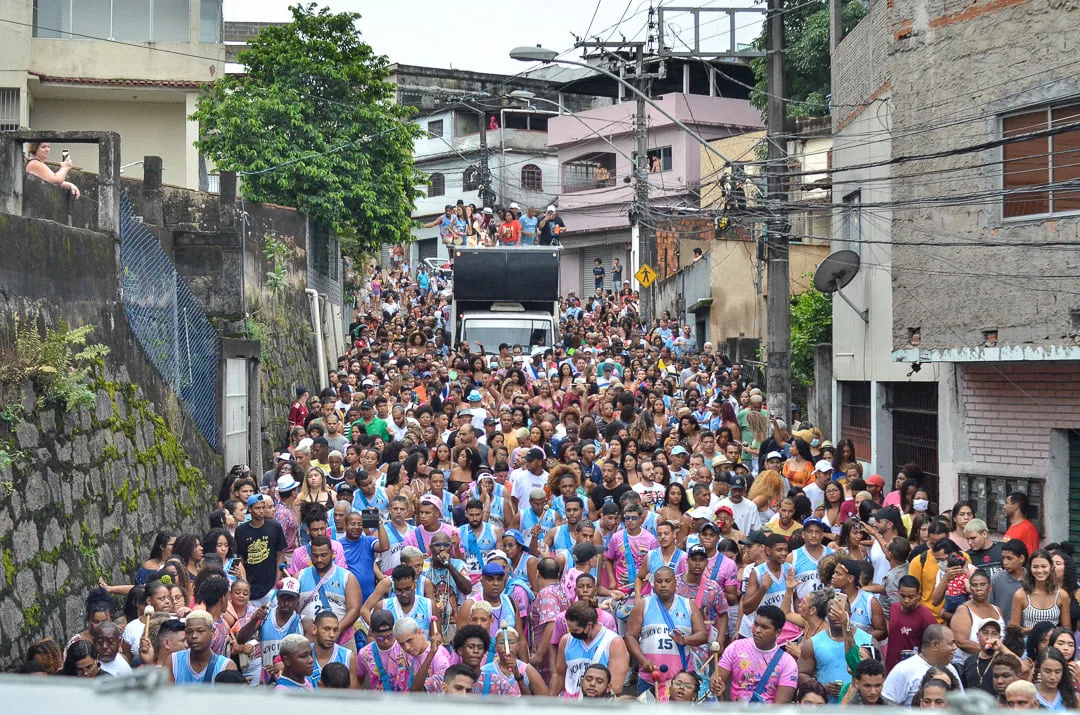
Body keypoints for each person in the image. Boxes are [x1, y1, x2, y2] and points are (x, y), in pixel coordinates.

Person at [624, 566, 708, 697]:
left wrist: (686, 640)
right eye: (659, 581)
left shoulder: (688, 605)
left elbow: (703, 635)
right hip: (649, 678)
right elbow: (629, 636)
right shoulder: (642, 605)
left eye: (668, 581)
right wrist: (643, 660)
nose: (663, 585)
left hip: (681, 680)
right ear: (653, 583)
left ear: (675, 582)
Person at [711, 605, 797, 703]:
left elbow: (780, 707)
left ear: (778, 632)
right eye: (756, 624)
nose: (757, 630)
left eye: (764, 627)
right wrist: (715, 685)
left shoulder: (788, 662)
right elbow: (717, 679)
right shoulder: (735, 647)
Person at [550, 602, 629, 698]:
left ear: (589, 625)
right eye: (569, 629)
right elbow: (559, 675)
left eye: (575, 630)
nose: (571, 633)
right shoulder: (566, 641)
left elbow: (616, 686)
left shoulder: (614, 643)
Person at [881, 624, 961, 705]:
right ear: (935, 645)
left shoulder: (951, 669)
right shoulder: (904, 670)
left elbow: (960, 703)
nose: (955, 648)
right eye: (951, 644)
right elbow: (887, 704)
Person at [234, 495, 287, 608]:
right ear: (250, 509)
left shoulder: (275, 527)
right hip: (250, 587)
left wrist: (275, 583)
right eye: (257, 508)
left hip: (270, 588)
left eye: (263, 507)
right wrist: (243, 582)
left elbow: (280, 556)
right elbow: (239, 558)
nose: (261, 511)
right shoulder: (240, 530)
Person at [164, 610, 237, 684]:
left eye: (200, 631)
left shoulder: (226, 666)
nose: (194, 636)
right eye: (190, 632)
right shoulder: (173, 661)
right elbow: (166, 693)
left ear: (212, 632)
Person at [886, 575, 940, 672]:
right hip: (891, 668)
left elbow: (934, 647)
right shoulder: (894, 608)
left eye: (911, 597)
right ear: (898, 593)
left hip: (913, 670)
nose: (906, 600)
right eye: (903, 596)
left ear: (918, 595)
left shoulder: (926, 617)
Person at [1010, 548, 1071, 632]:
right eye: (1035, 567)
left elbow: (1067, 628)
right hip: (1028, 642)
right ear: (1030, 568)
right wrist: (1037, 630)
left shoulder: (1062, 595)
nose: (1039, 570)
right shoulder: (1020, 595)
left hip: (1052, 643)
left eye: (1044, 566)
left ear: (1051, 567)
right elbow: (1014, 629)